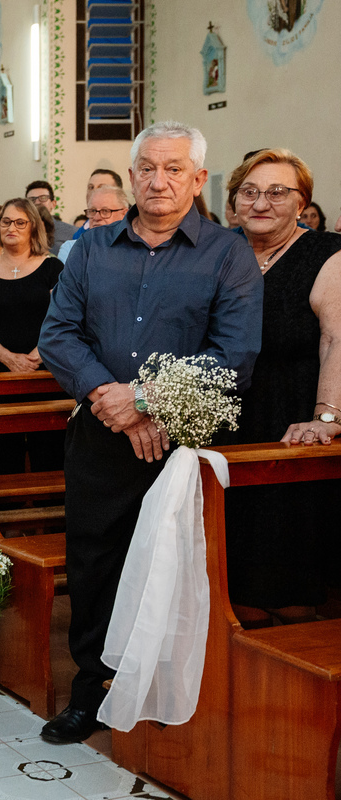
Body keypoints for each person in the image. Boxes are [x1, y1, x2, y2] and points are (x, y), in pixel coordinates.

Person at [38, 120, 263, 744]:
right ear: (132, 175)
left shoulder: (228, 254)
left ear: (198, 178)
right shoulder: (91, 248)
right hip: (99, 435)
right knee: (94, 562)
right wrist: (108, 398)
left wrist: (143, 401)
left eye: (173, 169)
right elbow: (57, 334)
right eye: (147, 168)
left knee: (171, 564)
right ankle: (91, 690)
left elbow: (235, 356)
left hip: (182, 442)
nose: (158, 181)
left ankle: (163, 690)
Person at [221, 148, 341, 627]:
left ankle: (291, 651)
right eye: (248, 192)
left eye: (277, 192)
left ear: (301, 201)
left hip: (291, 420)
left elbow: (336, 339)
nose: (260, 203)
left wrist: (326, 416)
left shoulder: (326, 253)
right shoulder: (220, 252)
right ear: (233, 202)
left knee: (286, 567)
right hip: (226, 422)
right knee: (233, 570)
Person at [0, 198, 65, 474]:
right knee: (2, 457)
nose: (12, 228)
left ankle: (50, 503)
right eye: (6, 222)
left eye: (20, 222)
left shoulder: (53, 269)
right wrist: (9, 358)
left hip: (44, 372)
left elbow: (61, 320)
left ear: (33, 227)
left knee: (49, 455)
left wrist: (35, 356)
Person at [57, 186, 129, 262]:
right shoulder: (71, 249)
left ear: (124, 214)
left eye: (105, 211)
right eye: (93, 211)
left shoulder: (134, 249)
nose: (96, 218)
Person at [26, 180, 76, 255]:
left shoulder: (71, 232)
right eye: (31, 199)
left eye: (43, 198)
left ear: (53, 204)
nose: (37, 202)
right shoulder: (19, 232)